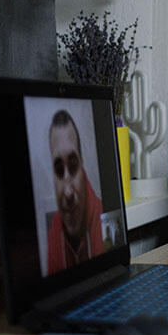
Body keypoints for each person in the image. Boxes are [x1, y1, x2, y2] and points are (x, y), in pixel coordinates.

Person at [46, 109, 104, 275]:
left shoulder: (102, 216)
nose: (68, 191)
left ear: (82, 167)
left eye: (73, 167)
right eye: (58, 169)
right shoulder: (54, 235)